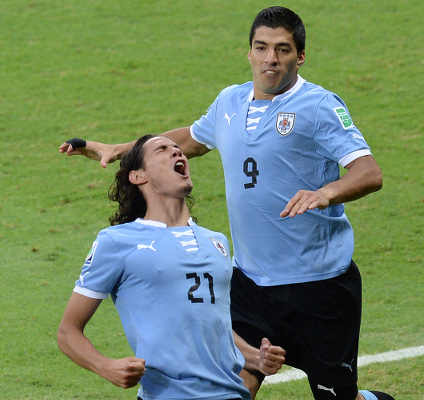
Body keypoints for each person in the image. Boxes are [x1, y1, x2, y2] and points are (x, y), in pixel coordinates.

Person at [59, 7, 394, 400]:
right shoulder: (229, 102)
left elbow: (369, 172)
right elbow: (190, 140)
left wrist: (325, 193)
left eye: (283, 50)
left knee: (337, 397)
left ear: (299, 56)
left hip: (318, 285)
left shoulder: (319, 107)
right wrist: (122, 148)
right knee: (235, 387)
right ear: (249, 52)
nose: (271, 59)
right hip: (250, 282)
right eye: (262, 47)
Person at [57, 135, 284, 400]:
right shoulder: (117, 242)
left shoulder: (216, 242)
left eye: (178, 149)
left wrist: (255, 358)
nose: (177, 152)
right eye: (162, 150)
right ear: (138, 177)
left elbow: (211, 321)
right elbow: (68, 331)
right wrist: (105, 366)